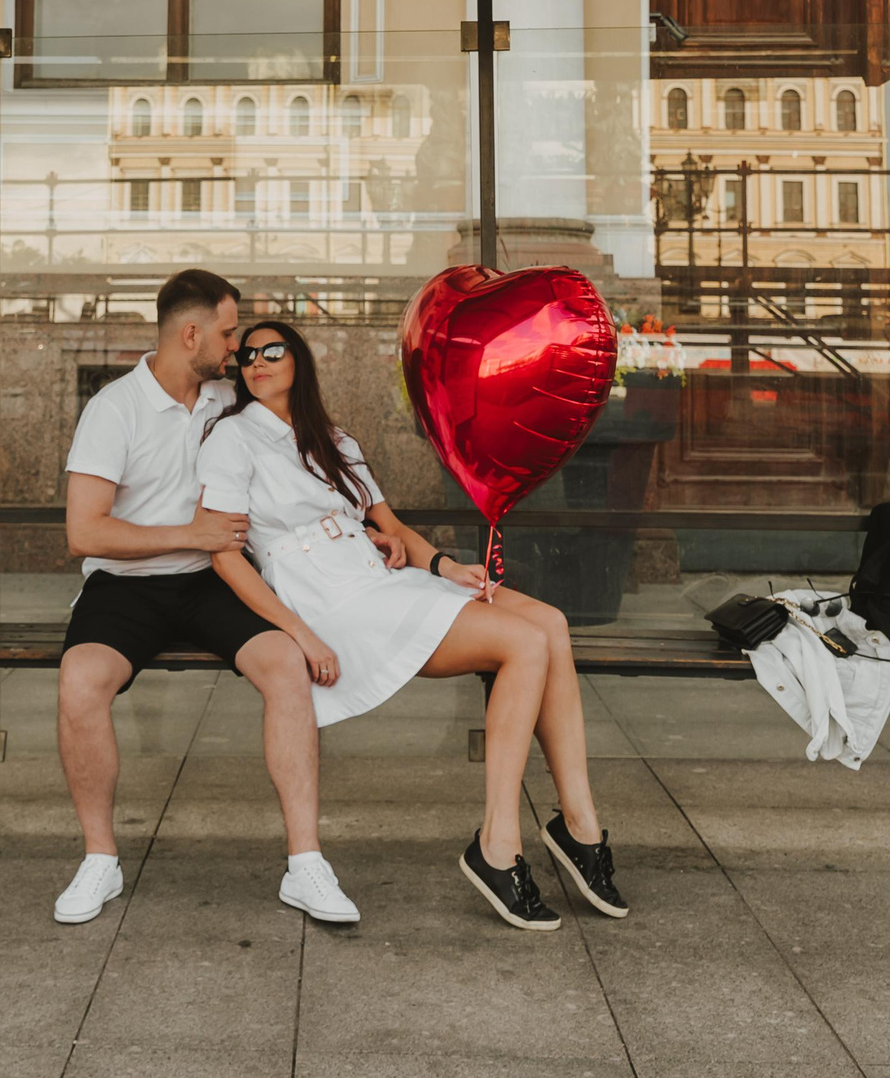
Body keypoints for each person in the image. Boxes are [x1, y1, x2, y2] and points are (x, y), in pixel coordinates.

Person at [194, 320, 628, 932]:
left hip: (376, 578)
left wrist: (449, 567)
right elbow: (225, 555)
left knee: (550, 623)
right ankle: (499, 845)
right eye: (245, 356)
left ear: (299, 360)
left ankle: (578, 821)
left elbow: (391, 528)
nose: (257, 362)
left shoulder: (334, 440)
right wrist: (300, 633)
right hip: (328, 600)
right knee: (524, 644)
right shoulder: (231, 438)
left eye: (273, 350)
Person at [51, 271, 358, 928]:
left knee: (285, 665)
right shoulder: (114, 408)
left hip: (211, 579)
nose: (238, 348)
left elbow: (319, 449)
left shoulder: (228, 398)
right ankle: (99, 858)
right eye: (227, 333)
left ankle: (305, 863)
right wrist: (186, 531)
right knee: (79, 681)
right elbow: (85, 531)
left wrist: (381, 529)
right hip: (125, 584)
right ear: (189, 333)